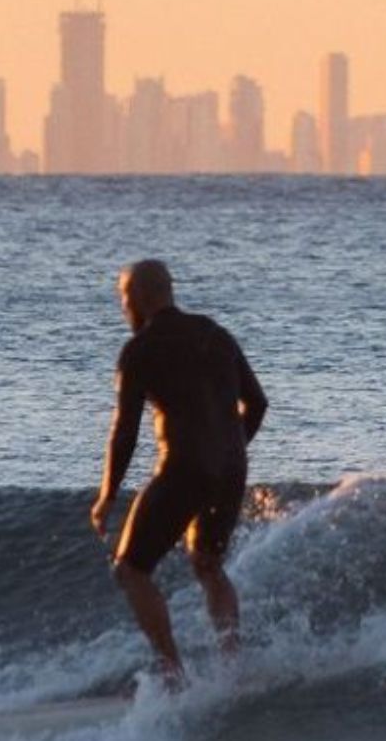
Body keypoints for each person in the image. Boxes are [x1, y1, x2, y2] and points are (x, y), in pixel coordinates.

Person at [89, 259, 267, 685]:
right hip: (231, 466)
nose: (124, 308)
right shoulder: (215, 335)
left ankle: (173, 672)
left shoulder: (140, 350)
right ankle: (232, 664)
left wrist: (108, 495)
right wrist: (228, 452)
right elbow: (257, 404)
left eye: (125, 299)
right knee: (208, 563)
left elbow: (126, 431)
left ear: (146, 297)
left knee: (130, 570)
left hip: (185, 466)